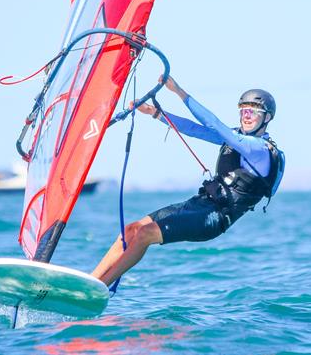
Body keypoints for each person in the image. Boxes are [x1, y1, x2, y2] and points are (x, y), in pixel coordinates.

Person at [91, 76, 285, 287]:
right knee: (131, 230)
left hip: (214, 218)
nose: (246, 116)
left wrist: (178, 91)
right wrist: (156, 114)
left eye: (253, 112)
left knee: (144, 234)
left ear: (267, 119)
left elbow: (213, 123)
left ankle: (99, 287)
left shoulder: (258, 149)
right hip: (200, 203)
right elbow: (195, 129)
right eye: (243, 111)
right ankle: (91, 280)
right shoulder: (236, 138)